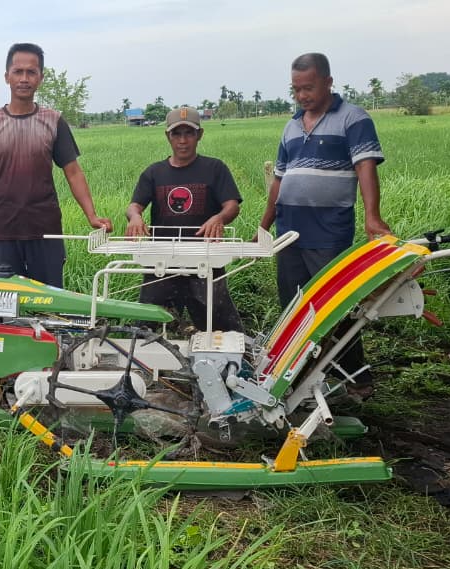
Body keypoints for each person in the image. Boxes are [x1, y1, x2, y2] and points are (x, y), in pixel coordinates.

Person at [259, 52, 391, 399]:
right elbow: (279, 179)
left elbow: (365, 167)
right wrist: (264, 225)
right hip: (289, 231)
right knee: (293, 307)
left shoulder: (352, 118)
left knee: (335, 307)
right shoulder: (291, 126)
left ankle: (357, 379)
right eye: (296, 89)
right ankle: (298, 376)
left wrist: (372, 216)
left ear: (328, 82)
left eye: (309, 87)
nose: (302, 95)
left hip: (328, 230)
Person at [0, 43, 112, 288]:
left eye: (31, 72)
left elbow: (73, 172)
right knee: (8, 303)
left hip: (46, 230)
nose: (24, 79)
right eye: (18, 71)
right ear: (7, 77)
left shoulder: (54, 122)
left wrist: (92, 215)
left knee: (50, 301)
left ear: (40, 78)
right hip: (2, 232)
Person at [125, 107, 244, 333]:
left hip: (204, 259)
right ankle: (145, 353)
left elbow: (232, 205)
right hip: (162, 260)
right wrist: (135, 217)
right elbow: (134, 206)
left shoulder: (214, 168)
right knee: (147, 324)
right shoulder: (154, 173)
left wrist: (219, 218)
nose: (182, 140)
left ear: (199, 135)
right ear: (167, 136)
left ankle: (227, 351)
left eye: (189, 133)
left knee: (218, 323)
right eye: (176, 134)